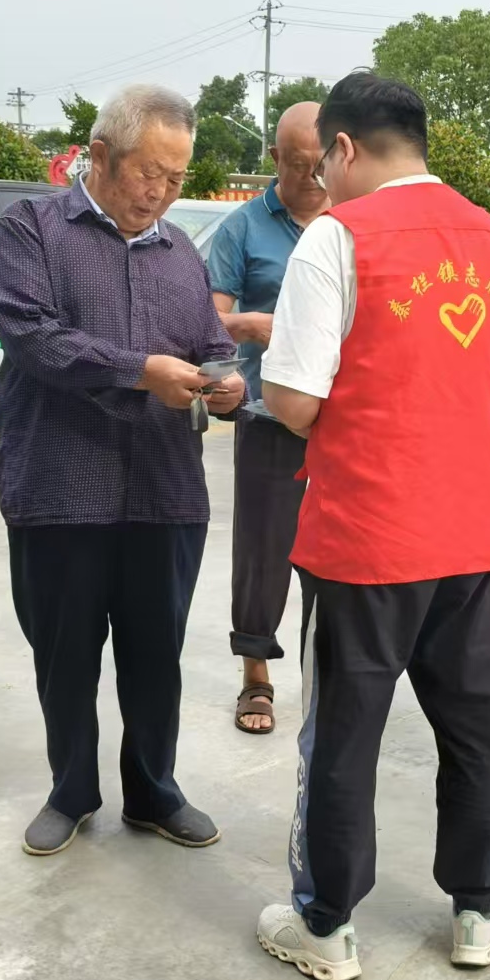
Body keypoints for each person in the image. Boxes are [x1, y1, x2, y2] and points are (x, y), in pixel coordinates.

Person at [253, 72, 490, 980]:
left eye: (320, 164)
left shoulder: (337, 236)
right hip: (476, 532)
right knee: (475, 727)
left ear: (341, 147)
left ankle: (326, 924)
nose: (320, 184)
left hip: (366, 536)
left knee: (342, 735)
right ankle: (479, 908)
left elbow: (295, 400)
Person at [0, 84, 245, 860]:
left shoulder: (180, 252)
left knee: (156, 657)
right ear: (99, 155)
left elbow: (208, 344)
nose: (160, 192)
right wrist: (141, 371)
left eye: (176, 178)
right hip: (61, 485)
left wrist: (227, 383)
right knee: (65, 656)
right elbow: (34, 338)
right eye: (148, 173)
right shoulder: (29, 230)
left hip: (164, 490)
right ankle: (70, 790)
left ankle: (154, 789)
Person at [208, 101, 329, 734]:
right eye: (299, 164)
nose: (312, 177)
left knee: (333, 555)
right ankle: (255, 675)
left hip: (338, 420)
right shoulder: (243, 228)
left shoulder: (351, 222)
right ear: (276, 158)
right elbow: (206, 321)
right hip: (266, 414)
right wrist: (249, 325)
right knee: (263, 551)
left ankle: (326, 675)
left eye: (322, 164)